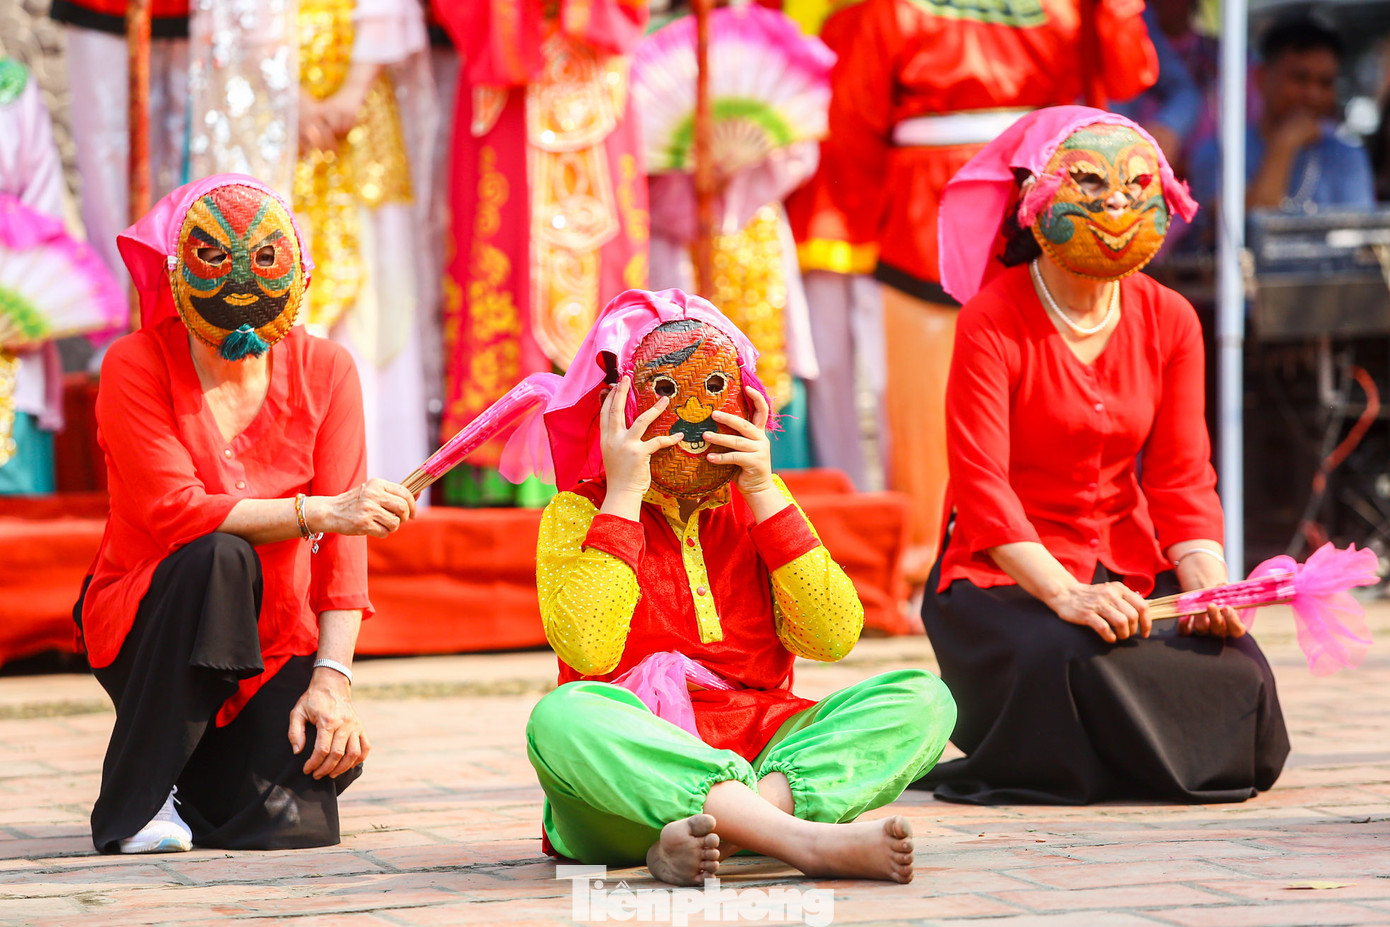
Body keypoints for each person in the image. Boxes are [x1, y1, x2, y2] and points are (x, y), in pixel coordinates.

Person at [457, 288, 955, 885]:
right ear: (619, 408)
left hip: (762, 756)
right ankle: (798, 840)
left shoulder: (759, 500)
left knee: (925, 699)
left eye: (715, 387)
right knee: (562, 718)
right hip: (630, 787)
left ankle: (723, 836)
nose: (693, 413)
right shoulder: (580, 511)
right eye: (665, 391)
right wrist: (624, 495)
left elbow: (834, 637)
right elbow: (589, 653)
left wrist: (764, 494)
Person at [917, 107, 1289, 805]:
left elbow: (1182, 477)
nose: (1116, 204)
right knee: (1069, 655)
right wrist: (1066, 593)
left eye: (1135, 184)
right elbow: (982, 486)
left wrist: (1207, 584)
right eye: (1089, 182)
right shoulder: (991, 319)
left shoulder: (1172, 318)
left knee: (1238, 673)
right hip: (1005, 574)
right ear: (1035, 201)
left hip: (1125, 563)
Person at [76, 175, 419, 853]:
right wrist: (322, 510)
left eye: (264, 262)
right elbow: (176, 513)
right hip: (157, 615)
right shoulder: (134, 363)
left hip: (275, 634)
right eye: (212, 262)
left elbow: (344, 553)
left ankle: (191, 776)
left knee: (295, 822)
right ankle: (139, 800)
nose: (239, 286)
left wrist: (332, 679)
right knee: (219, 555)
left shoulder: (328, 369)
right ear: (179, 280)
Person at [822, 0, 1160, 581]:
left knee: (1001, 388)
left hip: (997, 191)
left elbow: (853, 122)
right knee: (964, 388)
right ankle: (945, 558)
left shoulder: (895, 11)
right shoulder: (900, 11)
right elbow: (1131, 72)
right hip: (993, 194)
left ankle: (959, 557)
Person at [430, 0, 651, 507]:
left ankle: (609, 464)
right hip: (507, 83)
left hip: (594, 81)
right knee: (502, 252)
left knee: (606, 267)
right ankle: (501, 477)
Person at [1189, 14, 1375, 219]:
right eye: (1300, 78)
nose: (1312, 94)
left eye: (1325, 83)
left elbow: (1359, 232)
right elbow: (1242, 228)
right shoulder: (1218, 154)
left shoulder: (1347, 157)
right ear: (1262, 78)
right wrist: (1284, 145)